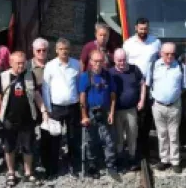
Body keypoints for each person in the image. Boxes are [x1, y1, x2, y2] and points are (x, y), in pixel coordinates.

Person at [0, 51, 47, 186]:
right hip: (8, 119)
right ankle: (11, 172)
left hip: (27, 118)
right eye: (18, 63)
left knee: (28, 147)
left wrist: (43, 109)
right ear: (11, 63)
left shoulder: (30, 75)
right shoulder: (3, 76)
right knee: (9, 147)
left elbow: (36, 95)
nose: (21, 65)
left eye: (23, 63)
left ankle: (28, 172)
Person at [41, 38, 83, 175]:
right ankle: (53, 166)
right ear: (56, 50)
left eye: (66, 49)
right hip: (56, 107)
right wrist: (48, 108)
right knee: (55, 138)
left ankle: (74, 165)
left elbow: (79, 85)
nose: (64, 52)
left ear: (69, 50)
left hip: (73, 106)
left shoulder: (76, 64)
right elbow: (45, 88)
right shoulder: (50, 66)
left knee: (73, 137)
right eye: (61, 49)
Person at [123, 18, 161, 161]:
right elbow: (124, 63)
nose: (143, 31)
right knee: (134, 115)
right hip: (133, 84)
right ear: (136, 28)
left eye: (145, 29)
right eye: (141, 29)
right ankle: (133, 147)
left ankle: (144, 146)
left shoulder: (155, 42)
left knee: (147, 116)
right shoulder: (128, 44)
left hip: (150, 84)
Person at [78, 50, 120, 179]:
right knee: (91, 140)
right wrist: (84, 116)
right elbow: (82, 98)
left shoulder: (108, 76)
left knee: (109, 140)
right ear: (90, 62)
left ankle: (111, 165)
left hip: (105, 110)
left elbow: (113, 96)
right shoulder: (85, 76)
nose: (98, 64)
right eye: (95, 61)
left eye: (100, 61)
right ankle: (92, 165)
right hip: (91, 111)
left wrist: (112, 113)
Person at [148, 42, 186, 171]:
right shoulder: (154, 66)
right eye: (167, 54)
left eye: (172, 54)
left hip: (174, 105)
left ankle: (175, 161)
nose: (170, 56)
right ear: (161, 53)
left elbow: (185, 86)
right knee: (161, 134)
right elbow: (149, 84)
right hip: (158, 106)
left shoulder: (181, 67)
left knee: (173, 134)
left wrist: (173, 96)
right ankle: (164, 159)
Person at [109, 48, 146, 171]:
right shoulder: (110, 73)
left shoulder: (134, 69)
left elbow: (142, 84)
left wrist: (142, 100)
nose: (122, 62)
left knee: (132, 134)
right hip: (117, 110)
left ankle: (131, 157)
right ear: (114, 60)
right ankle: (119, 157)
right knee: (118, 135)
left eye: (124, 60)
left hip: (131, 109)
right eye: (119, 60)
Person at [29, 38, 54, 174]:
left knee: (47, 135)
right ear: (33, 51)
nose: (41, 53)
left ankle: (46, 162)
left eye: (44, 50)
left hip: (48, 105)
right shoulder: (27, 66)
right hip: (31, 107)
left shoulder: (52, 65)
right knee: (30, 136)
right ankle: (30, 163)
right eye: (38, 50)